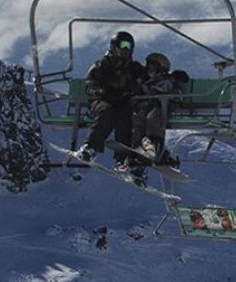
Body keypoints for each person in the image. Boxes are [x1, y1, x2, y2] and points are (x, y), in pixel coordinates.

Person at [78, 30, 143, 164]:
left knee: (125, 115)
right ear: (114, 46)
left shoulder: (133, 68)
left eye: (129, 46)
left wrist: (170, 75)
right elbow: (90, 86)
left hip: (123, 102)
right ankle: (91, 147)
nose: (126, 49)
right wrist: (102, 92)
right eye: (123, 45)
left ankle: (123, 156)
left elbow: (149, 78)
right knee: (106, 112)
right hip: (101, 101)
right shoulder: (101, 66)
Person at [123, 51, 183, 183]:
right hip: (144, 106)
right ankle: (138, 151)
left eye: (153, 66)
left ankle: (154, 145)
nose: (150, 69)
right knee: (138, 120)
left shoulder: (167, 80)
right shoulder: (143, 79)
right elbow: (134, 89)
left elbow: (174, 93)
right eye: (148, 66)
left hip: (161, 107)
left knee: (152, 118)